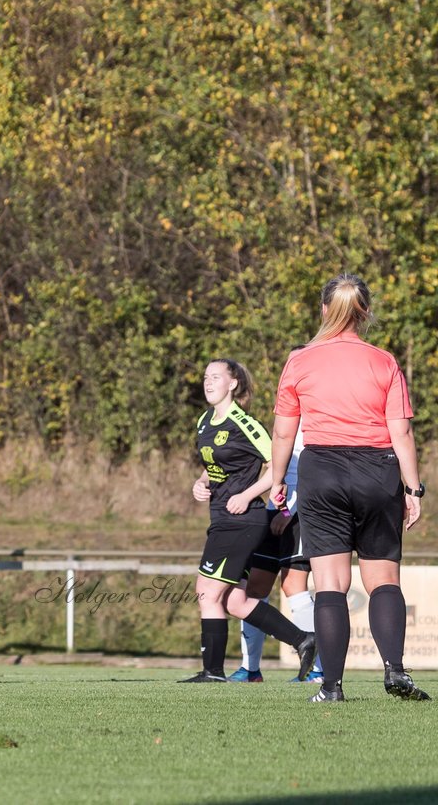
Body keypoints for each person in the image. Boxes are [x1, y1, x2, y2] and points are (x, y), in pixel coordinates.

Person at [270, 274, 428, 702]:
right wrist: (413, 491)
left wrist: (278, 483)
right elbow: (403, 434)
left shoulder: (300, 361)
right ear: (365, 312)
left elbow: (285, 434)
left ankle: (331, 687)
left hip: (323, 472)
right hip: (378, 472)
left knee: (330, 585)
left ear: (324, 310)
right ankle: (395, 670)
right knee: (383, 580)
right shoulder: (384, 361)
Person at [181, 358, 317, 683]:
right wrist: (201, 483)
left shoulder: (244, 423)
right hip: (221, 518)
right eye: (205, 376)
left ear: (232, 384)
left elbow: (276, 466)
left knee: (207, 591)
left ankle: (212, 672)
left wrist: (247, 495)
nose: (208, 381)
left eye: (216, 376)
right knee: (235, 600)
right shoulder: (204, 421)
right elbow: (213, 465)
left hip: (243, 519)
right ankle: (303, 640)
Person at [227, 427, 324, 683]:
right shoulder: (284, 417)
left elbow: (317, 472)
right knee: (255, 588)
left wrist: (289, 512)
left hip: (299, 512)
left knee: (293, 585)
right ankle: (250, 670)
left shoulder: (316, 417)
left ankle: (319, 670)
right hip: (273, 509)